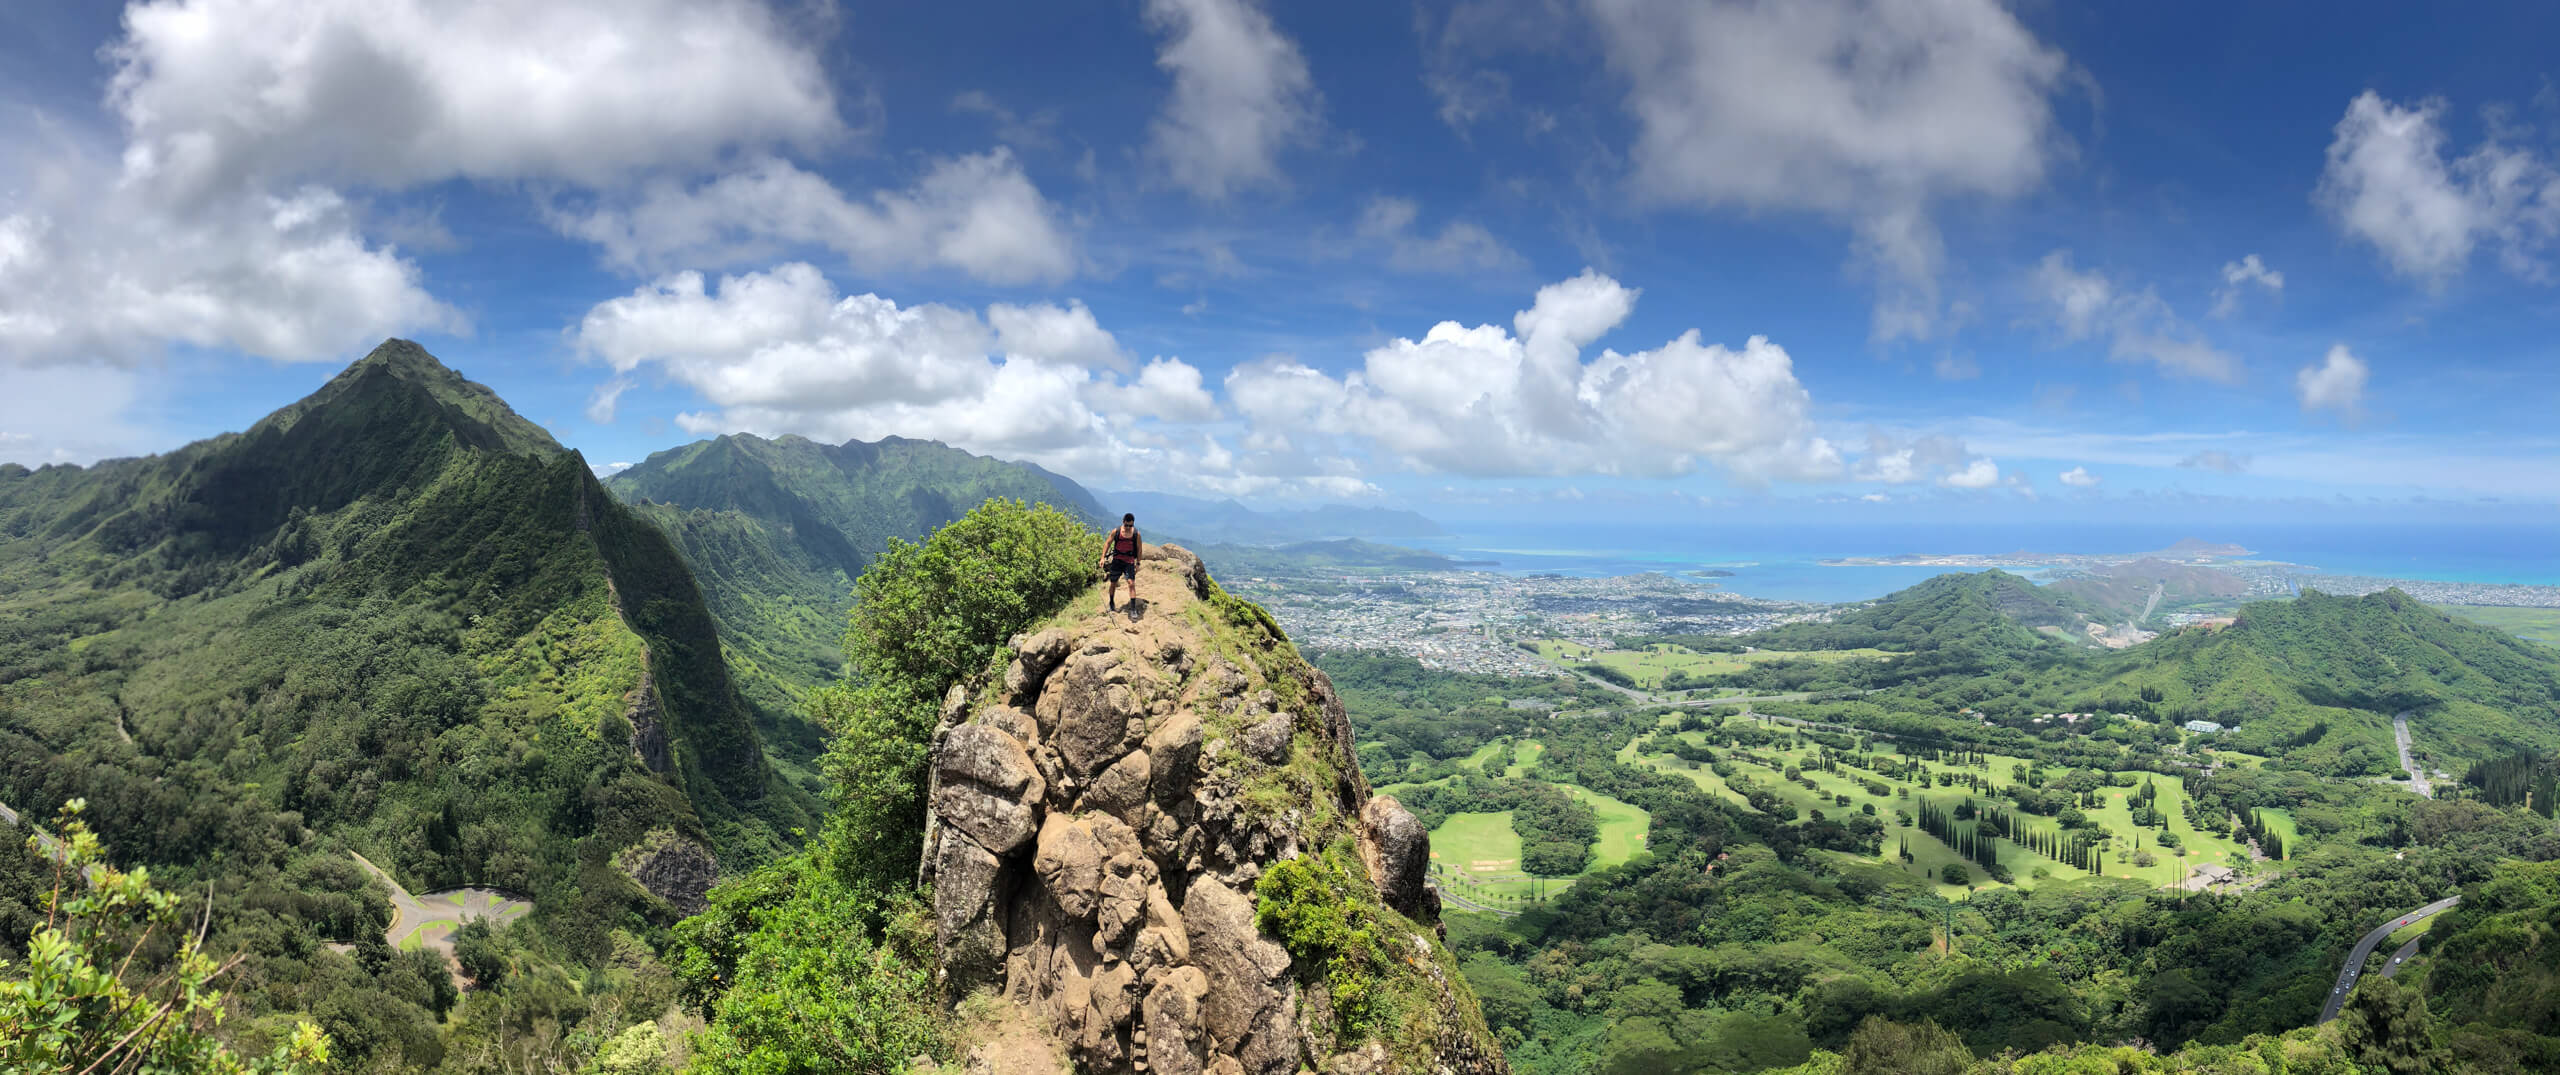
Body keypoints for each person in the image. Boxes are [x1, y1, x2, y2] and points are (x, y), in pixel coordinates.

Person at [1102, 513, 1142, 611]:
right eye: (1126, 525)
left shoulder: (1136, 534)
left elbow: (1139, 549)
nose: (1128, 527)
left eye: (1131, 525)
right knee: (1113, 583)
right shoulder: (1116, 531)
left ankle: (1133, 609)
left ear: (1133, 524)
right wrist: (1102, 557)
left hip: (1129, 561)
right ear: (1123, 522)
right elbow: (1107, 543)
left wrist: (1138, 563)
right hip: (1117, 561)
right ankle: (1111, 603)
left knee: (1131, 583)